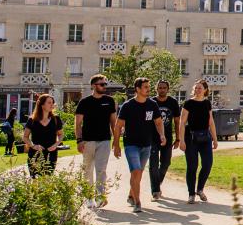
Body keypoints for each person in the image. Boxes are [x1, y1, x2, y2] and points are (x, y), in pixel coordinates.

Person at [114, 77, 166, 213]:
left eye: (149, 86)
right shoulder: (128, 105)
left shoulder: (152, 104)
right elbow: (118, 125)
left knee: (139, 174)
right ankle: (138, 202)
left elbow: (159, 122)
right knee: (136, 171)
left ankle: (131, 194)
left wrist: (162, 135)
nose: (148, 89)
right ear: (137, 89)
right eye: (145, 87)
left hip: (146, 144)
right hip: (131, 144)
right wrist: (116, 145)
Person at [75, 74, 118, 207]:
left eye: (105, 84)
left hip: (104, 140)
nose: (104, 86)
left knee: (101, 170)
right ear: (93, 86)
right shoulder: (84, 102)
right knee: (87, 169)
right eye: (102, 84)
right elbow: (77, 124)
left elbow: (113, 122)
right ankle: (88, 197)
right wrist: (79, 140)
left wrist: (116, 141)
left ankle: (100, 197)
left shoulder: (110, 101)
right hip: (88, 141)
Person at [179, 80, 218, 204]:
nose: (197, 90)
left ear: (205, 90)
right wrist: (181, 140)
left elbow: (211, 122)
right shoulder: (188, 103)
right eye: (196, 88)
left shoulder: (207, 103)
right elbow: (182, 122)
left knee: (207, 164)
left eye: (200, 88)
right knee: (192, 166)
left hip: (205, 138)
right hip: (191, 138)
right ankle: (191, 194)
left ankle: (200, 189)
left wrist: (215, 139)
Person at [148, 80, 181, 201]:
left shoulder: (172, 102)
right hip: (153, 138)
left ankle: (157, 183)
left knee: (166, 163)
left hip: (167, 137)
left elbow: (177, 121)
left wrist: (178, 138)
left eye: (164, 88)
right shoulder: (151, 102)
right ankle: (155, 191)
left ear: (168, 89)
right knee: (153, 164)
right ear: (156, 89)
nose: (162, 89)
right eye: (160, 87)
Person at [23, 94, 63, 177]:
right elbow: (25, 137)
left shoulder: (56, 119)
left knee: (47, 181)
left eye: (52, 103)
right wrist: (33, 146)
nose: (52, 105)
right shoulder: (32, 120)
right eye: (49, 103)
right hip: (35, 154)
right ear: (41, 105)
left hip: (51, 154)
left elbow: (61, 135)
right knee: (35, 181)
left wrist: (56, 145)